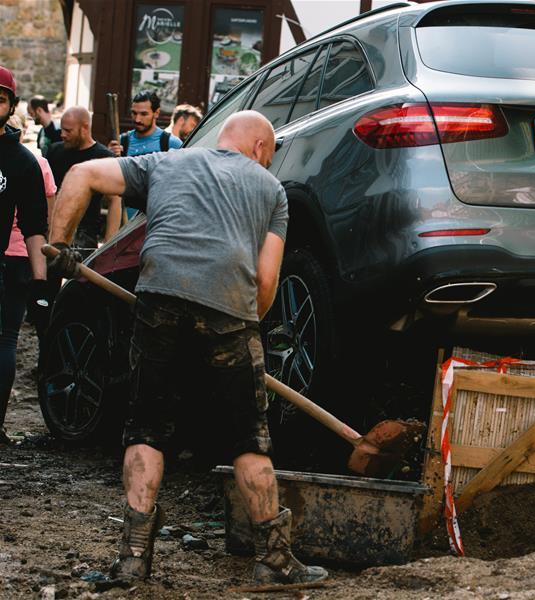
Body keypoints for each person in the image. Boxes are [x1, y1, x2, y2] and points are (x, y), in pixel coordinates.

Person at [47, 110, 326, 585]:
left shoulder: (167, 164)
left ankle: (134, 558)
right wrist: (246, 329)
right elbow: (265, 279)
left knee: (147, 428)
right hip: (229, 311)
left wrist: (60, 245)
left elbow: (81, 173)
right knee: (248, 438)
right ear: (260, 149)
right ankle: (274, 559)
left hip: (159, 299)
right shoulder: (271, 190)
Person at [0, 65, 51, 444]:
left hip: (5, 266)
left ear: (11, 105)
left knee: (4, 343)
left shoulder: (23, 162)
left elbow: (35, 226)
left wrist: (41, 282)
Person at [47, 107, 120, 248]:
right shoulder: (54, 152)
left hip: (85, 236)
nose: (62, 134)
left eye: (68, 131)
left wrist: (109, 245)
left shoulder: (103, 157)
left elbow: (114, 201)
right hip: (54, 232)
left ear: (85, 128)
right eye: (62, 129)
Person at [108, 91, 183, 157]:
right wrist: (109, 156)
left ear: (156, 113)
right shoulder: (122, 141)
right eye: (134, 113)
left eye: (144, 114)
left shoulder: (171, 144)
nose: (137, 119)